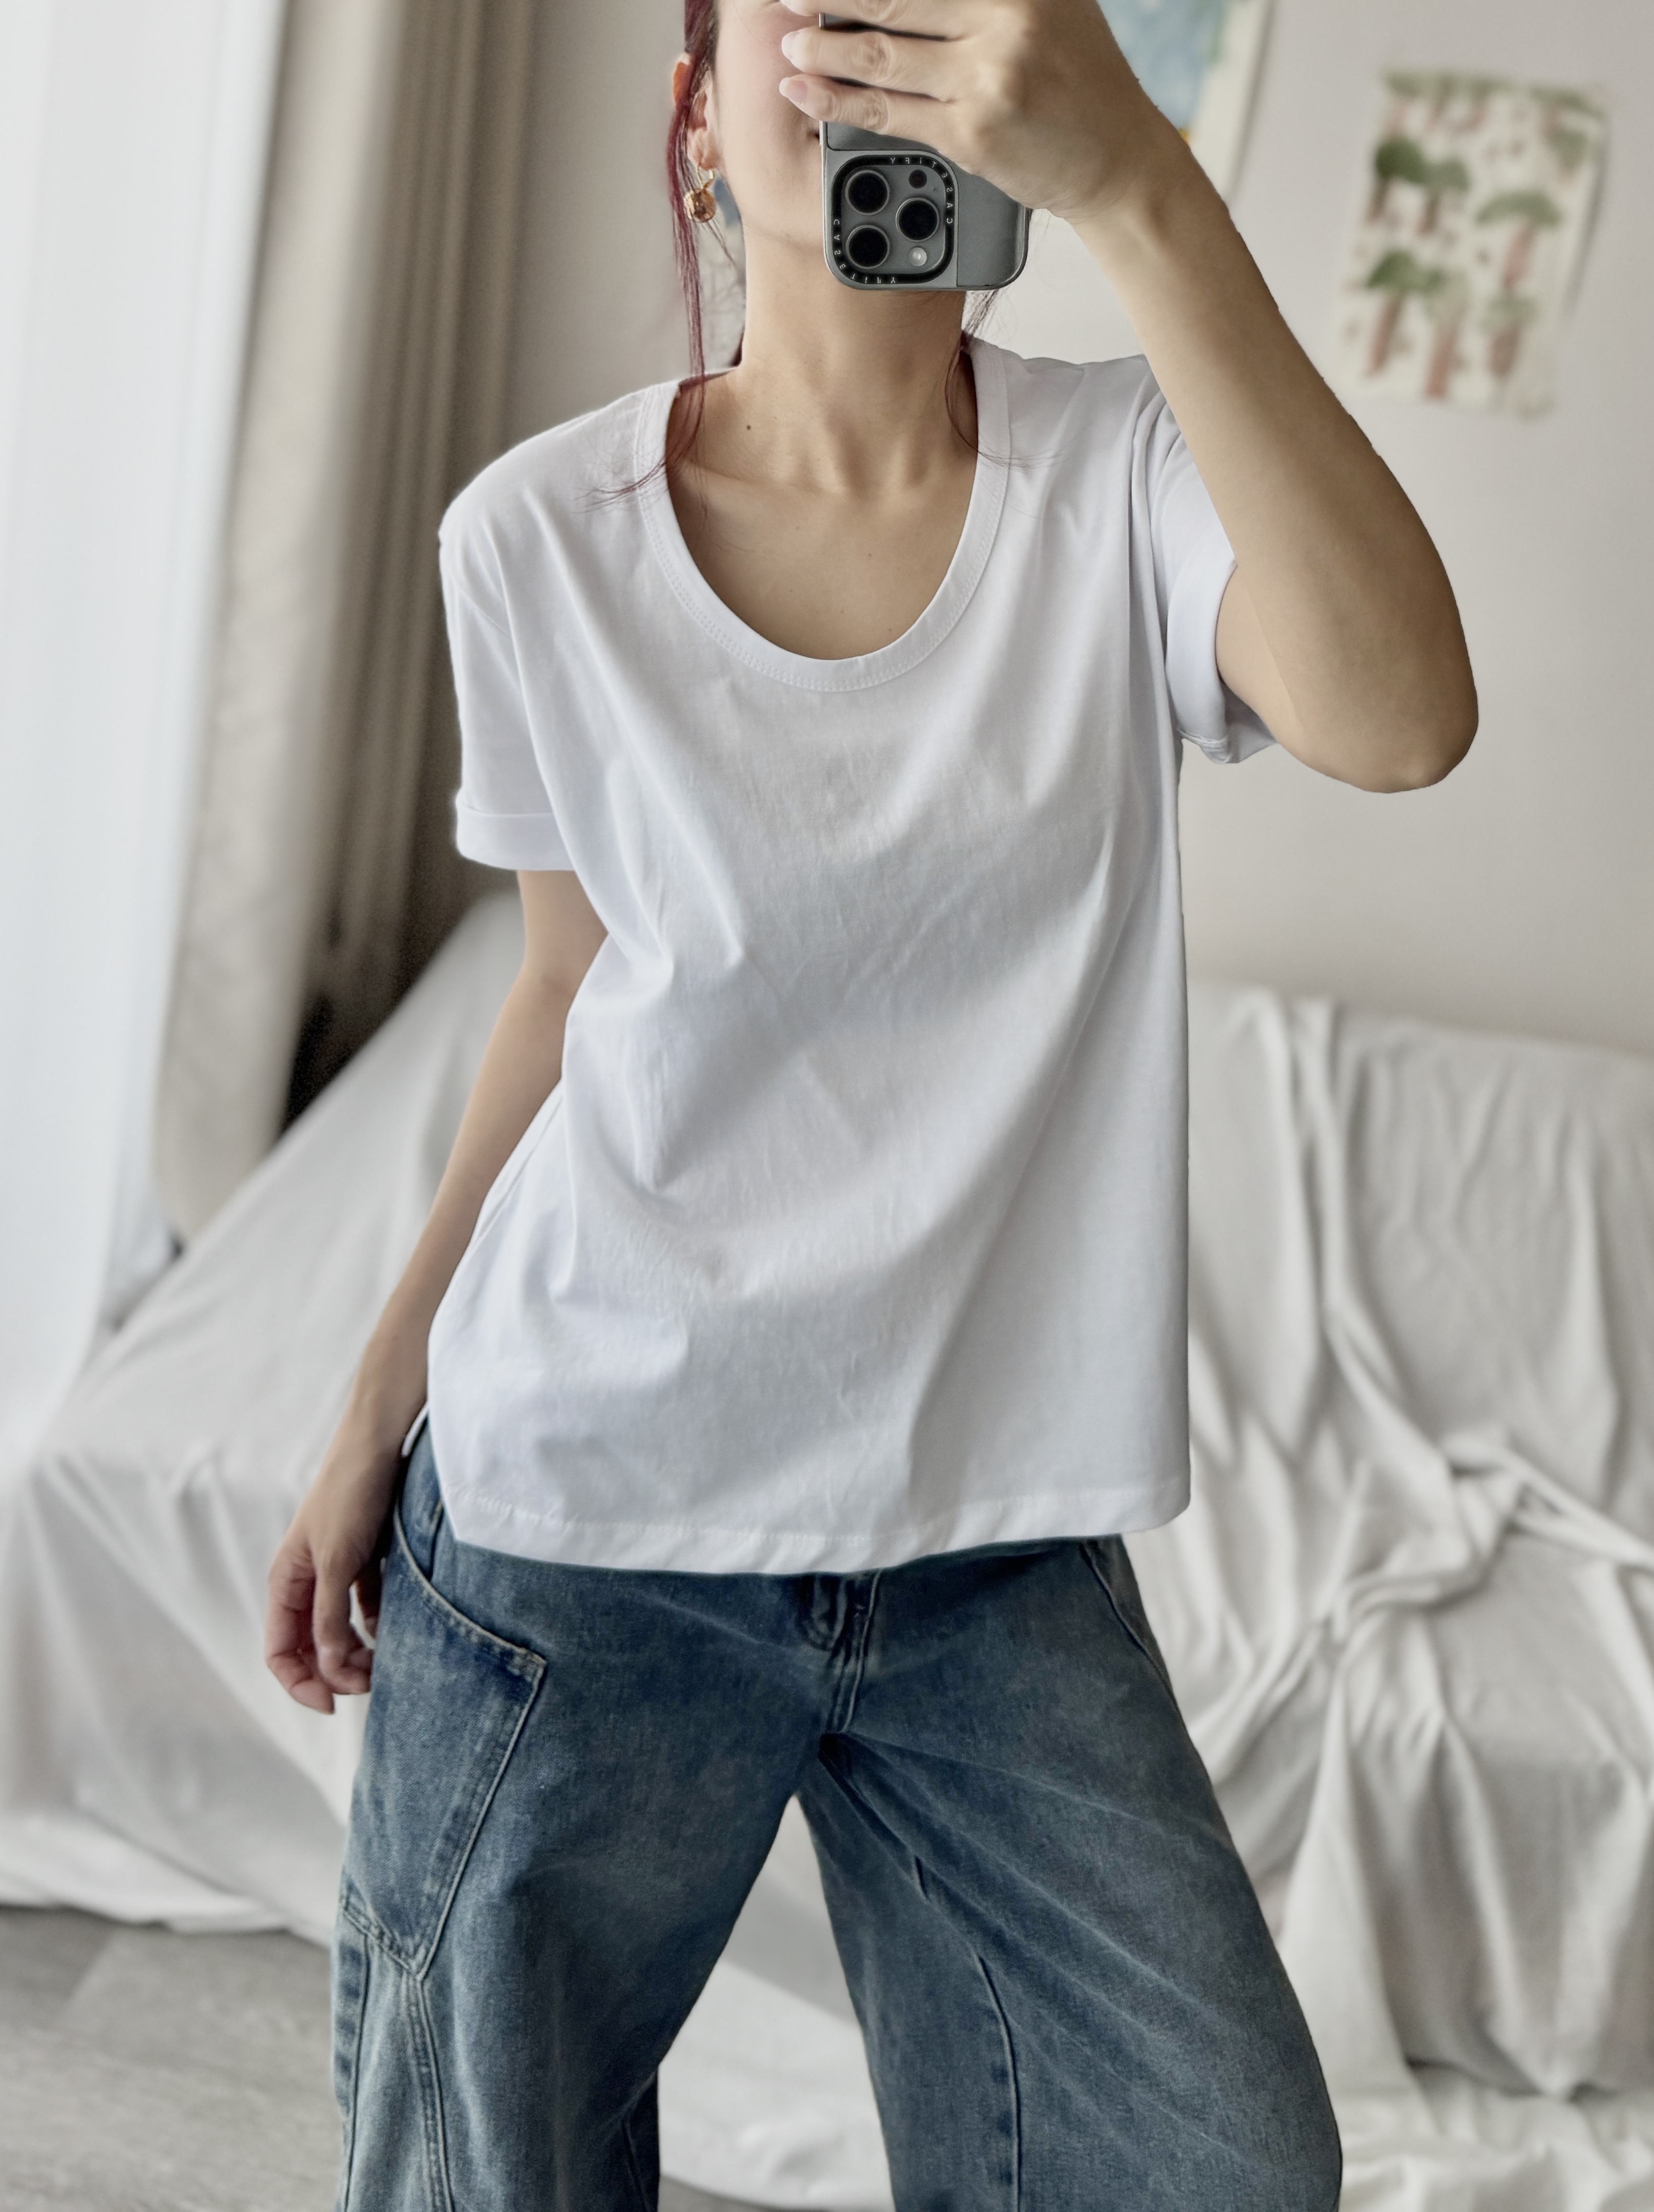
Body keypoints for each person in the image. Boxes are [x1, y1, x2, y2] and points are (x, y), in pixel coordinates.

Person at [266, 2, 1475, 2205]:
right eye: (816, 19)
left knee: (1221, 2166)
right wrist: (376, 1397)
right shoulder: (534, 538)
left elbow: (1402, 721)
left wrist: (1140, 180)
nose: (873, 65)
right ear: (697, 121)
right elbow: (566, 987)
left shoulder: (1122, 479)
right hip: (579, 1529)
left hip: (987, 1553)